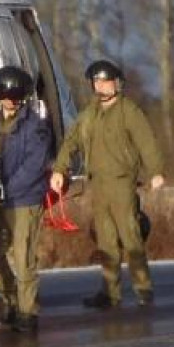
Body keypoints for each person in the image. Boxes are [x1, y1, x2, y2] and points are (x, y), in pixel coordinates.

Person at [50, 59, 166, 309]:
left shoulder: (129, 111)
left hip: (122, 183)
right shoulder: (89, 115)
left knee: (130, 236)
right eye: (97, 82)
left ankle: (143, 288)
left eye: (105, 81)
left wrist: (155, 171)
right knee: (105, 240)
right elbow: (71, 142)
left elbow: (147, 141)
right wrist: (60, 168)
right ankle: (109, 291)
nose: (101, 86)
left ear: (116, 84)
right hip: (98, 184)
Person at [0, 65, 53, 333]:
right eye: (6, 96)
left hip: (24, 199)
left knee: (23, 255)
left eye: (16, 97)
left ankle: (28, 312)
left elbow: (34, 165)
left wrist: (8, 188)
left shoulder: (35, 126)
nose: (11, 102)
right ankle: (11, 301)